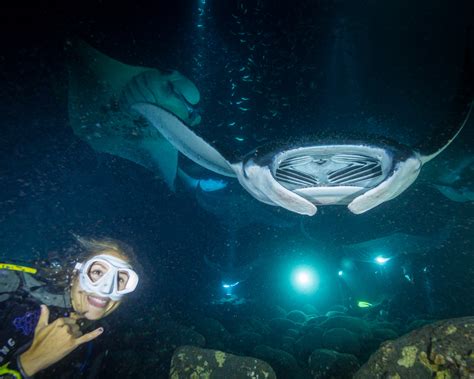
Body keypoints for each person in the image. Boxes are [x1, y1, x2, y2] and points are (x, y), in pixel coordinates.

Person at [0, 235, 141, 378]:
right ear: (75, 274)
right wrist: (29, 363)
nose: (106, 288)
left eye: (120, 279)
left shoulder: (100, 343)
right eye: (97, 272)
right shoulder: (14, 296)